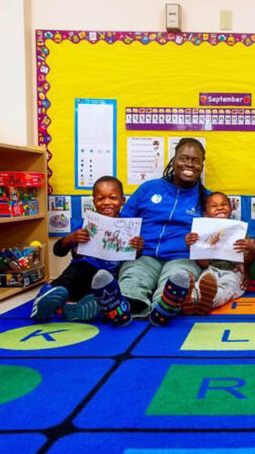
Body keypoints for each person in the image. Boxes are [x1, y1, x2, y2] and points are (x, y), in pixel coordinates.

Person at [107, 138, 209, 325]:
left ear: (202, 165)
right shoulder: (149, 188)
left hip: (183, 257)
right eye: (184, 158)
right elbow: (124, 221)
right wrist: (131, 244)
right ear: (174, 161)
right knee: (134, 278)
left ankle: (163, 308)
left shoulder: (207, 198)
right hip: (144, 254)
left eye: (195, 160)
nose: (189, 164)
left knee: (176, 279)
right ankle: (124, 307)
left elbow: (220, 235)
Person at [30, 176, 143, 325]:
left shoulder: (130, 227)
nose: (107, 202)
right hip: (80, 273)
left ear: (123, 201)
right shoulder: (85, 224)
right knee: (76, 271)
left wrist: (138, 247)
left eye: (113, 198)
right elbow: (58, 251)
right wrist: (71, 238)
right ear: (94, 201)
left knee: (108, 289)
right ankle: (43, 300)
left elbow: (135, 258)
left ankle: (75, 309)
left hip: (107, 278)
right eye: (100, 198)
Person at [183, 191, 255, 316]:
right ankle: (191, 301)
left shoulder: (239, 230)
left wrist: (251, 248)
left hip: (234, 271)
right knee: (199, 285)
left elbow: (248, 261)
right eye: (214, 206)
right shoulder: (201, 232)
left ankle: (209, 301)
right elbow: (204, 264)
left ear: (231, 208)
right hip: (211, 269)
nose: (220, 208)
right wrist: (193, 246)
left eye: (224, 204)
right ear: (205, 214)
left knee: (227, 287)